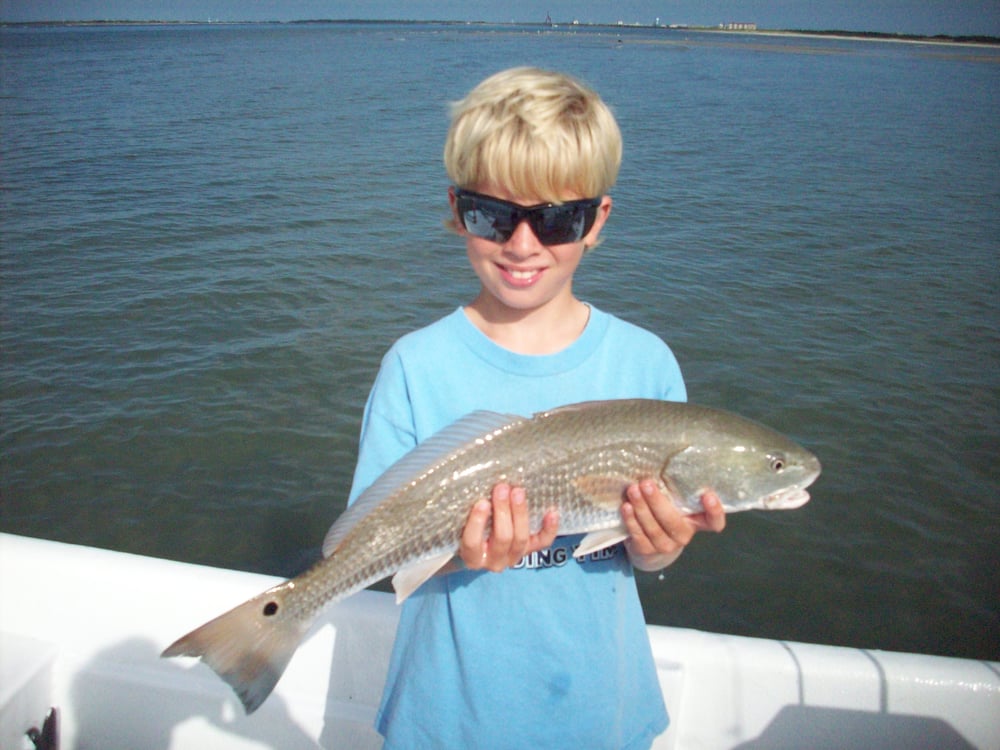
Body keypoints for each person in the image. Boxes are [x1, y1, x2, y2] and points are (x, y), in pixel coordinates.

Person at [348, 66, 726, 750]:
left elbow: (641, 556)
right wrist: (457, 553)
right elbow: (372, 547)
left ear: (597, 219)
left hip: (599, 712)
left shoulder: (647, 366)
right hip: (445, 714)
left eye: (556, 219)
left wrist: (660, 547)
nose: (522, 246)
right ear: (457, 210)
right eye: (493, 215)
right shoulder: (415, 367)